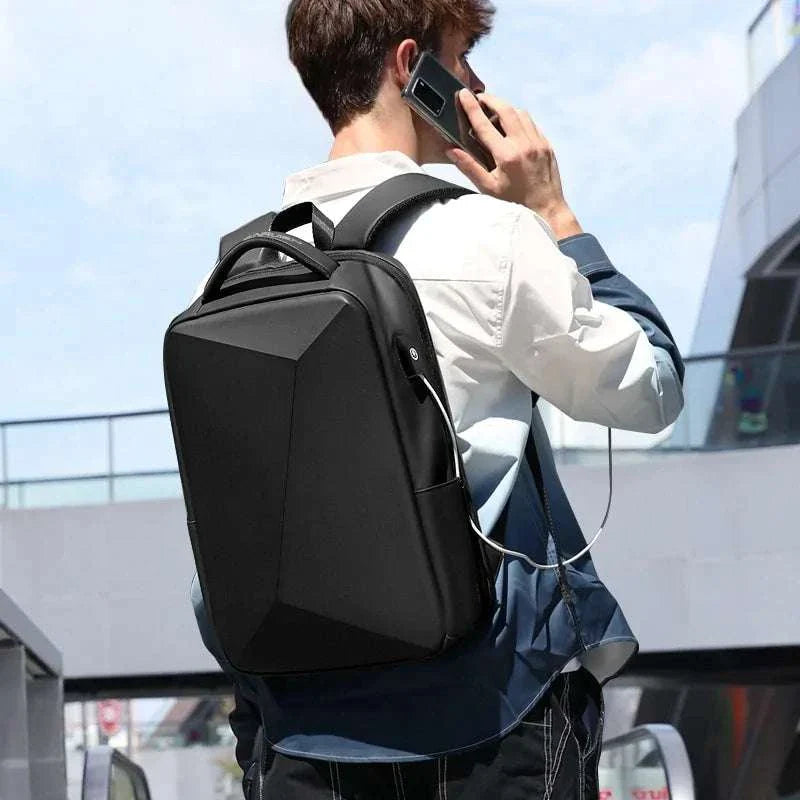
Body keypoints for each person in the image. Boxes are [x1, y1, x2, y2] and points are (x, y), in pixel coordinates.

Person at [190, 1, 685, 797]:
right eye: (463, 59)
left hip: (304, 737)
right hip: (485, 720)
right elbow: (653, 387)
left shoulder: (233, 277)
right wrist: (552, 211)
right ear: (410, 64)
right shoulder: (489, 236)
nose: (478, 85)